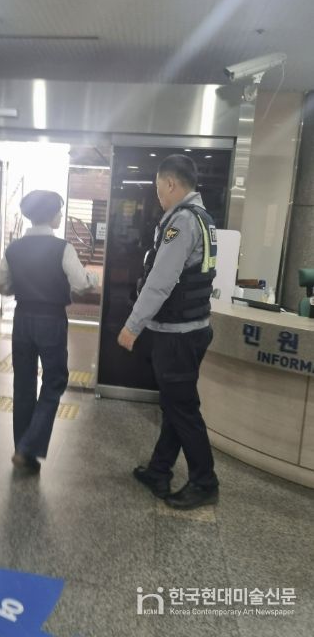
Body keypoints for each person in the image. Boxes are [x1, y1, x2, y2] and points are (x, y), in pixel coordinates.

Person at [117, 154, 219, 510]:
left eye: (159, 187)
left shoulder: (182, 222)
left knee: (183, 408)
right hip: (192, 329)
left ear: (171, 183)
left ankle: (205, 481)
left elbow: (160, 282)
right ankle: (159, 470)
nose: (158, 194)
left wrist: (132, 325)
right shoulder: (204, 218)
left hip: (178, 334)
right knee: (175, 404)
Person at [0, 190, 98, 473]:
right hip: (51, 319)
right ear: (52, 215)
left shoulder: (13, 248)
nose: (61, 215)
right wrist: (92, 278)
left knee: (23, 384)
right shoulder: (62, 248)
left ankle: (22, 451)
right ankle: (28, 447)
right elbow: (80, 284)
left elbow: (2, 284)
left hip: (22, 318)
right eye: (59, 211)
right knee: (54, 380)